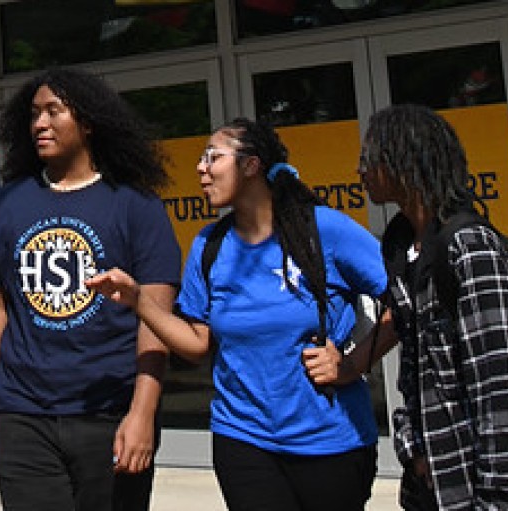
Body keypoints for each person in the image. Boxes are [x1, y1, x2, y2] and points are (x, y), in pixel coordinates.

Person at [89, 118, 386, 510]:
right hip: (243, 440)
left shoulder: (322, 230)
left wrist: (350, 364)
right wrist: (138, 300)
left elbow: (405, 300)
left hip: (331, 442)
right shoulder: (209, 245)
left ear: (251, 165)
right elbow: (197, 345)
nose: (201, 168)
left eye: (213, 157)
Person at [0, 67, 182, 511]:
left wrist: (142, 413)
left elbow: (156, 319)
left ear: (88, 122)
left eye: (53, 112)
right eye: (34, 114)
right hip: (21, 414)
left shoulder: (136, 205)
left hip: (109, 411)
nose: (40, 124)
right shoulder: (9, 201)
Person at [355, 104, 508, 510]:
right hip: (432, 482)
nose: (360, 170)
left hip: (488, 488)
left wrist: (498, 498)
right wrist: (412, 450)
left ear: (404, 161)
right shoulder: (402, 249)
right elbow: (413, 369)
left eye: (369, 158)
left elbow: (501, 384)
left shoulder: (470, 248)